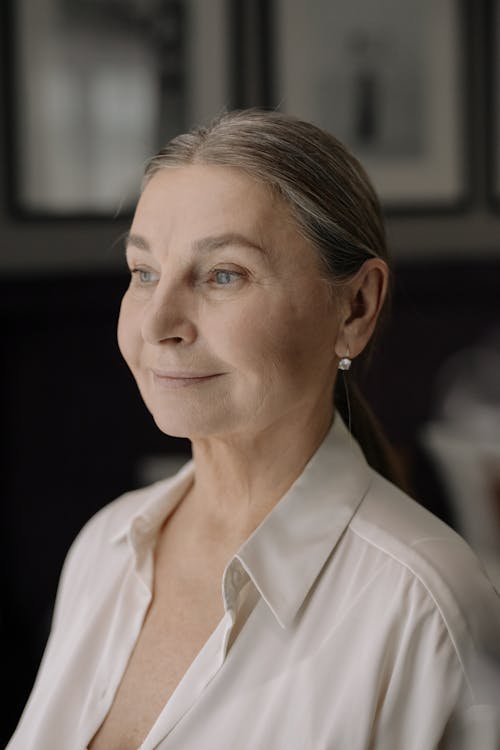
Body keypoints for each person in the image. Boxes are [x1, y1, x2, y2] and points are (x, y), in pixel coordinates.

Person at [7, 109, 500, 750]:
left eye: (223, 275)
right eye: (143, 273)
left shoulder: (426, 607)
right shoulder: (105, 549)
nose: (159, 324)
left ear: (354, 308)